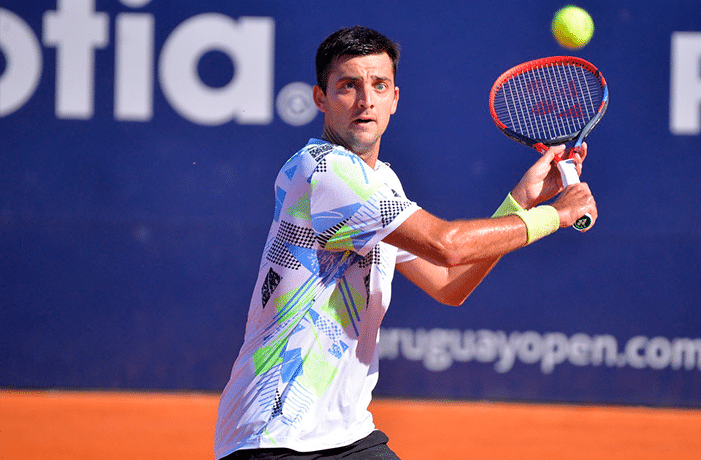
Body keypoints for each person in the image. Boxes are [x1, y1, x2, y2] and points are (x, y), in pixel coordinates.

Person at [214, 26, 597, 460]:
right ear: (320, 99)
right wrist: (556, 215)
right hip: (274, 438)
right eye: (348, 86)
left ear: (395, 99)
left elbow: (450, 283)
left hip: (348, 435)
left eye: (379, 85)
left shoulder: (383, 183)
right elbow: (447, 244)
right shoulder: (322, 172)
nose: (365, 101)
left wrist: (522, 200)